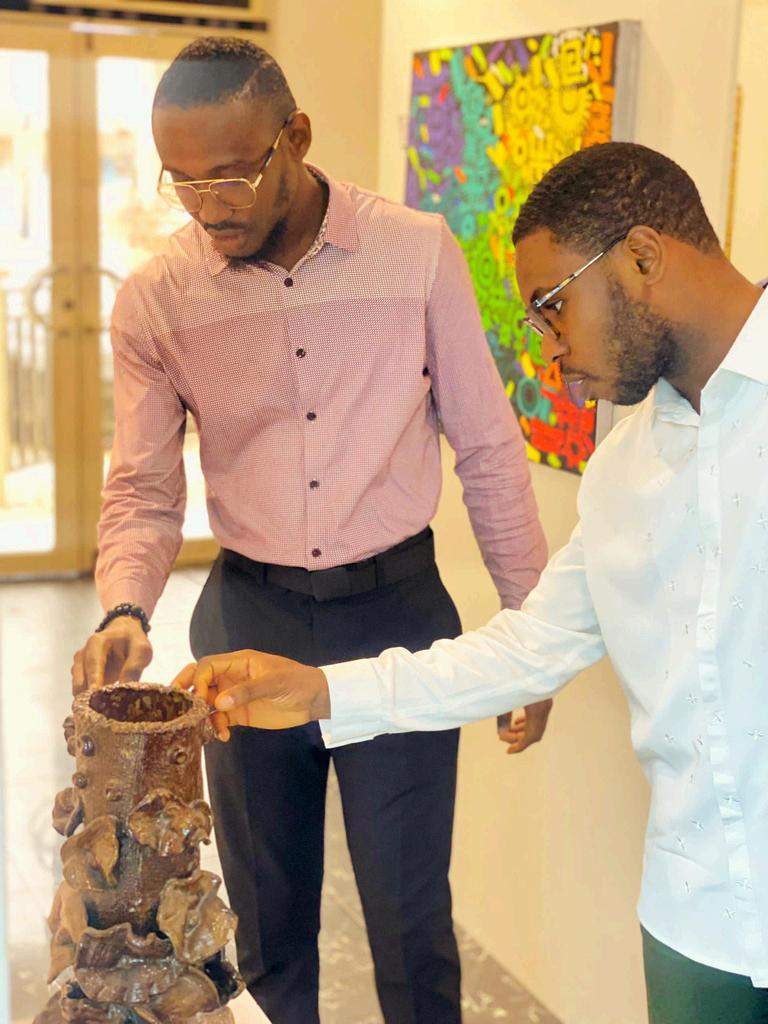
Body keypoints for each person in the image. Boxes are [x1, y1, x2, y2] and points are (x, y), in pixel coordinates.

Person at [175, 142, 768, 1024]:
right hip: (697, 916)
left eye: (552, 308)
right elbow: (526, 649)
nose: (550, 352)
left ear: (643, 256)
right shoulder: (624, 473)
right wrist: (319, 692)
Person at [70, 36, 551, 1024]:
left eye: (231, 175)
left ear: (295, 136)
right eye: (182, 183)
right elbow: (145, 488)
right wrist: (125, 605)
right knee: (266, 927)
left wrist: (531, 638)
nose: (210, 207)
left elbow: (488, 447)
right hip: (247, 622)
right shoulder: (157, 298)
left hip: (398, 614)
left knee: (411, 922)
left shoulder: (416, 253)